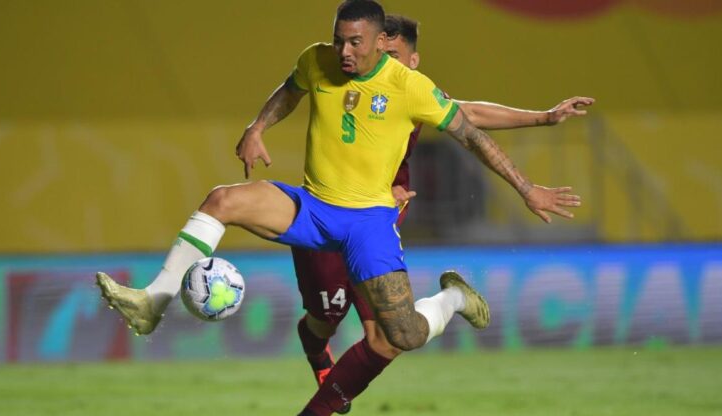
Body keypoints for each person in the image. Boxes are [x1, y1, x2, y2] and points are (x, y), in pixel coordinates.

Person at [95, 1, 582, 415]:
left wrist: (527, 188)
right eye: (338, 41)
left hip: (368, 224)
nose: (344, 51)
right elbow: (290, 90)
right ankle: (153, 302)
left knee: (402, 335)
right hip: (312, 208)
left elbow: (471, 133)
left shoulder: (410, 86)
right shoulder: (317, 60)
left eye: (354, 43)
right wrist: (258, 127)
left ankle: (452, 298)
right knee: (222, 200)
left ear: (379, 42)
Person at [291, 13, 593, 414]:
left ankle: (322, 405)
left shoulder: (412, 90)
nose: (382, 61)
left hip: (374, 222)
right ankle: (317, 350)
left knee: (386, 337)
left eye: (393, 55)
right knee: (324, 317)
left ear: (413, 61)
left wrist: (545, 117)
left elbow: (471, 116)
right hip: (329, 213)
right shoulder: (346, 81)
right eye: (379, 51)